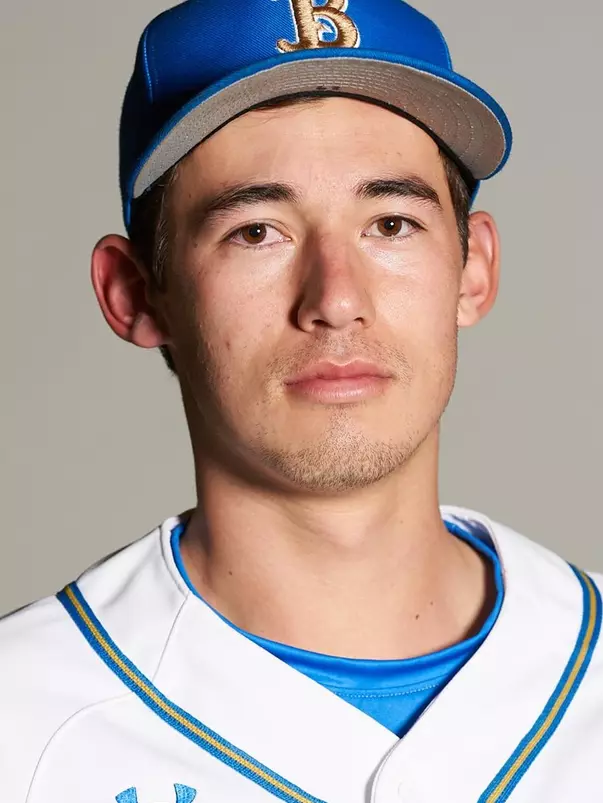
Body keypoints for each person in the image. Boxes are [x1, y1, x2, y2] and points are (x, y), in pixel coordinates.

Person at [1, 0, 602, 801]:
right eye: (256, 230)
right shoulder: (23, 722)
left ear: (473, 268)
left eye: (390, 222)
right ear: (135, 293)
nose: (337, 298)